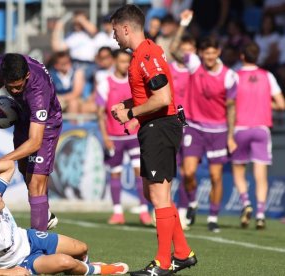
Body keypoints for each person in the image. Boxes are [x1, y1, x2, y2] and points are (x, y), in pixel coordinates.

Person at [109, 5, 196, 275]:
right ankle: (182, 253)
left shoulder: (147, 54)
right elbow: (149, 95)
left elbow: (163, 98)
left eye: (114, 31)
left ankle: (163, 262)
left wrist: (131, 113)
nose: (114, 37)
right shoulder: (140, 54)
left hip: (160, 126)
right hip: (154, 126)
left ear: (126, 28)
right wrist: (126, 104)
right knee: (153, 193)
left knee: (159, 196)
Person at [0, 160, 129, 276]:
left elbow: (9, 165)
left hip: (29, 238)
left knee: (82, 248)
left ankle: (80, 268)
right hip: (21, 262)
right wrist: (8, 273)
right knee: (65, 261)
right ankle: (99, 269)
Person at [171, 10, 238, 233]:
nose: (209, 57)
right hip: (195, 127)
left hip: (218, 132)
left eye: (212, 53)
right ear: (201, 53)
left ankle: (212, 217)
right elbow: (172, 50)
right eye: (205, 53)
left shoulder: (229, 76)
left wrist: (230, 136)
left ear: (218, 52)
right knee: (188, 172)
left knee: (215, 176)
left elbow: (231, 107)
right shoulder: (194, 64)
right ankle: (191, 203)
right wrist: (183, 24)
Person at [0, 53, 62, 232]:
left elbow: (34, 142)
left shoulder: (38, 92)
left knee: (35, 183)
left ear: (26, 76)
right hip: (23, 116)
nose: (15, 91)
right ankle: (44, 212)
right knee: (25, 170)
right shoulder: (3, 62)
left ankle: (38, 246)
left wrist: (1, 161)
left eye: (19, 87)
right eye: (11, 87)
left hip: (46, 125)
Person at [232, 42, 285, 230]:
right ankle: (261, 213)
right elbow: (281, 103)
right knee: (260, 175)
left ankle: (246, 203)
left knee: (239, 171)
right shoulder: (267, 76)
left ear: (242, 57)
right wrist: (265, 103)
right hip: (262, 129)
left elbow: (228, 103)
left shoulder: (235, 76)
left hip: (240, 128)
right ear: (258, 57)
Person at [96, 49, 152, 225]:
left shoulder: (136, 83)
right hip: (114, 137)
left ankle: (144, 211)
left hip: (134, 135)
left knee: (140, 172)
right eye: (121, 62)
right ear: (114, 62)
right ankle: (117, 212)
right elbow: (100, 113)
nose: (124, 65)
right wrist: (105, 136)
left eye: (127, 62)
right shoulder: (105, 83)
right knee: (115, 174)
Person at [169, 25, 197, 230]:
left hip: (193, 124)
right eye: (183, 48)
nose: (186, 52)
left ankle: (189, 206)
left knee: (188, 171)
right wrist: (182, 27)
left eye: (190, 49)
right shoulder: (170, 68)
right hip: (171, 122)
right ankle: (170, 209)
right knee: (171, 169)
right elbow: (172, 48)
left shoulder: (196, 70)